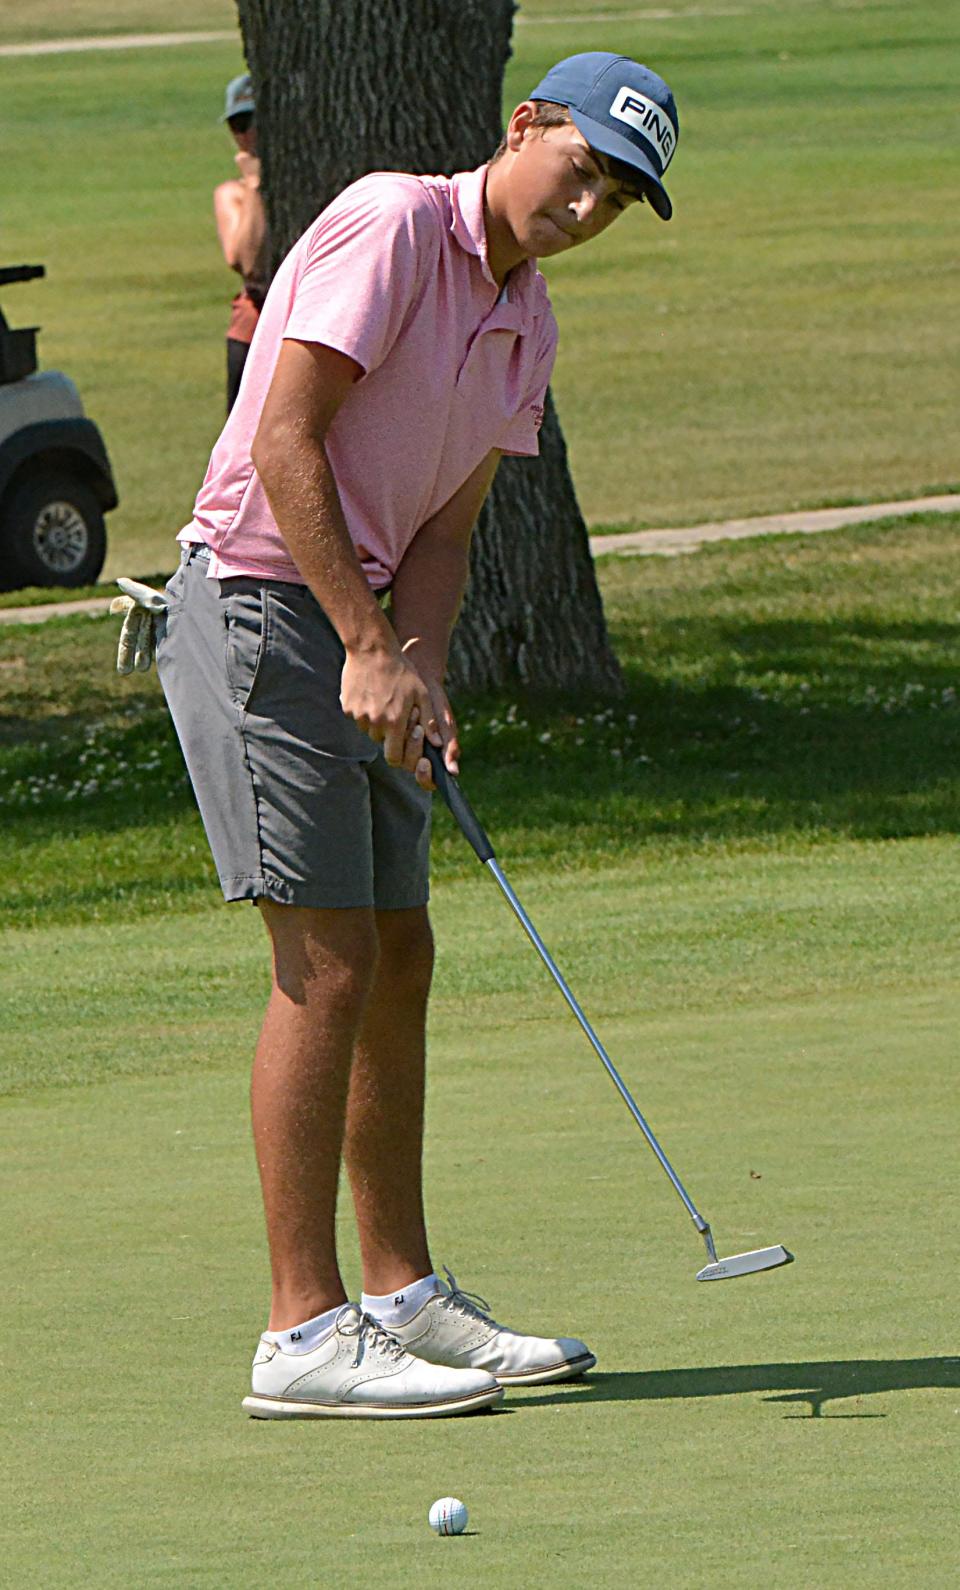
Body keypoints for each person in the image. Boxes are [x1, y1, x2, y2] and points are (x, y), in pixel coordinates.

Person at [154, 53, 680, 1419]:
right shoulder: (396, 220)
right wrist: (368, 642)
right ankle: (301, 1331)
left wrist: (422, 660)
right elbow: (283, 443)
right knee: (326, 956)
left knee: (399, 943)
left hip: (361, 623)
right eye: (585, 168)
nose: (590, 206)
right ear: (525, 127)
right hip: (264, 608)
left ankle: (401, 1295)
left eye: (620, 197)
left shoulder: (529, 320)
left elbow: (446, 531)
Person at [213, 73, 268, 413]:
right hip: (253, 332)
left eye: (254, 119)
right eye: (238, 124)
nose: (248, 133)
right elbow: (247, 260)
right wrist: (255, 184)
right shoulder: (232, 194)